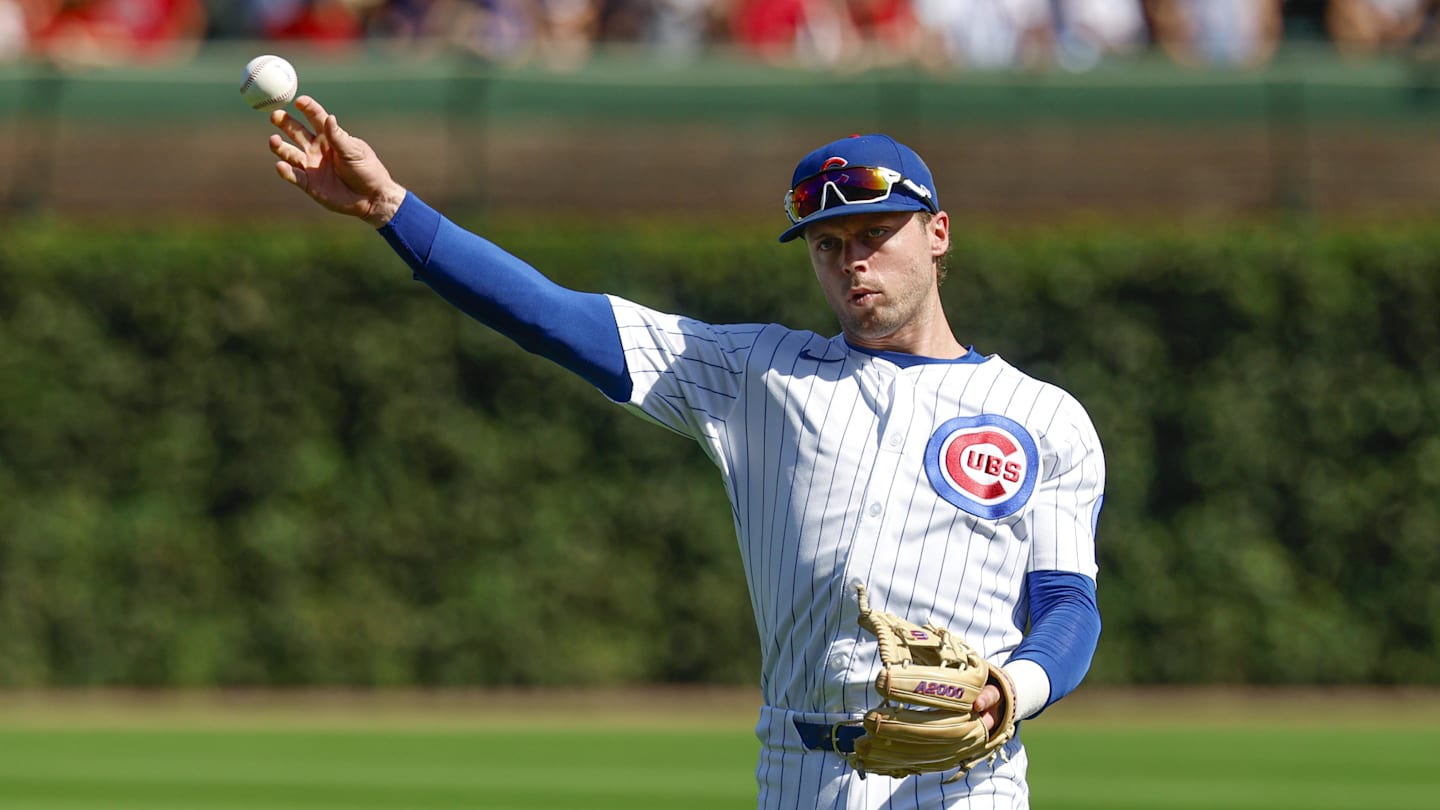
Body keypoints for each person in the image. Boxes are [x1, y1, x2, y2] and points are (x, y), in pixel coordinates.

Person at [265, 96, 1105, 809]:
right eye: (828, 244)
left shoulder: (1042, 416)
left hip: (965, 781)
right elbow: (556, 318)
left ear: (939, 233)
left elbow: (1067, 607)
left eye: (876, 233)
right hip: (798, 774)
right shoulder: (755, 374)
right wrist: (391, 211)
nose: (853, 261)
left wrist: (1010, 691)